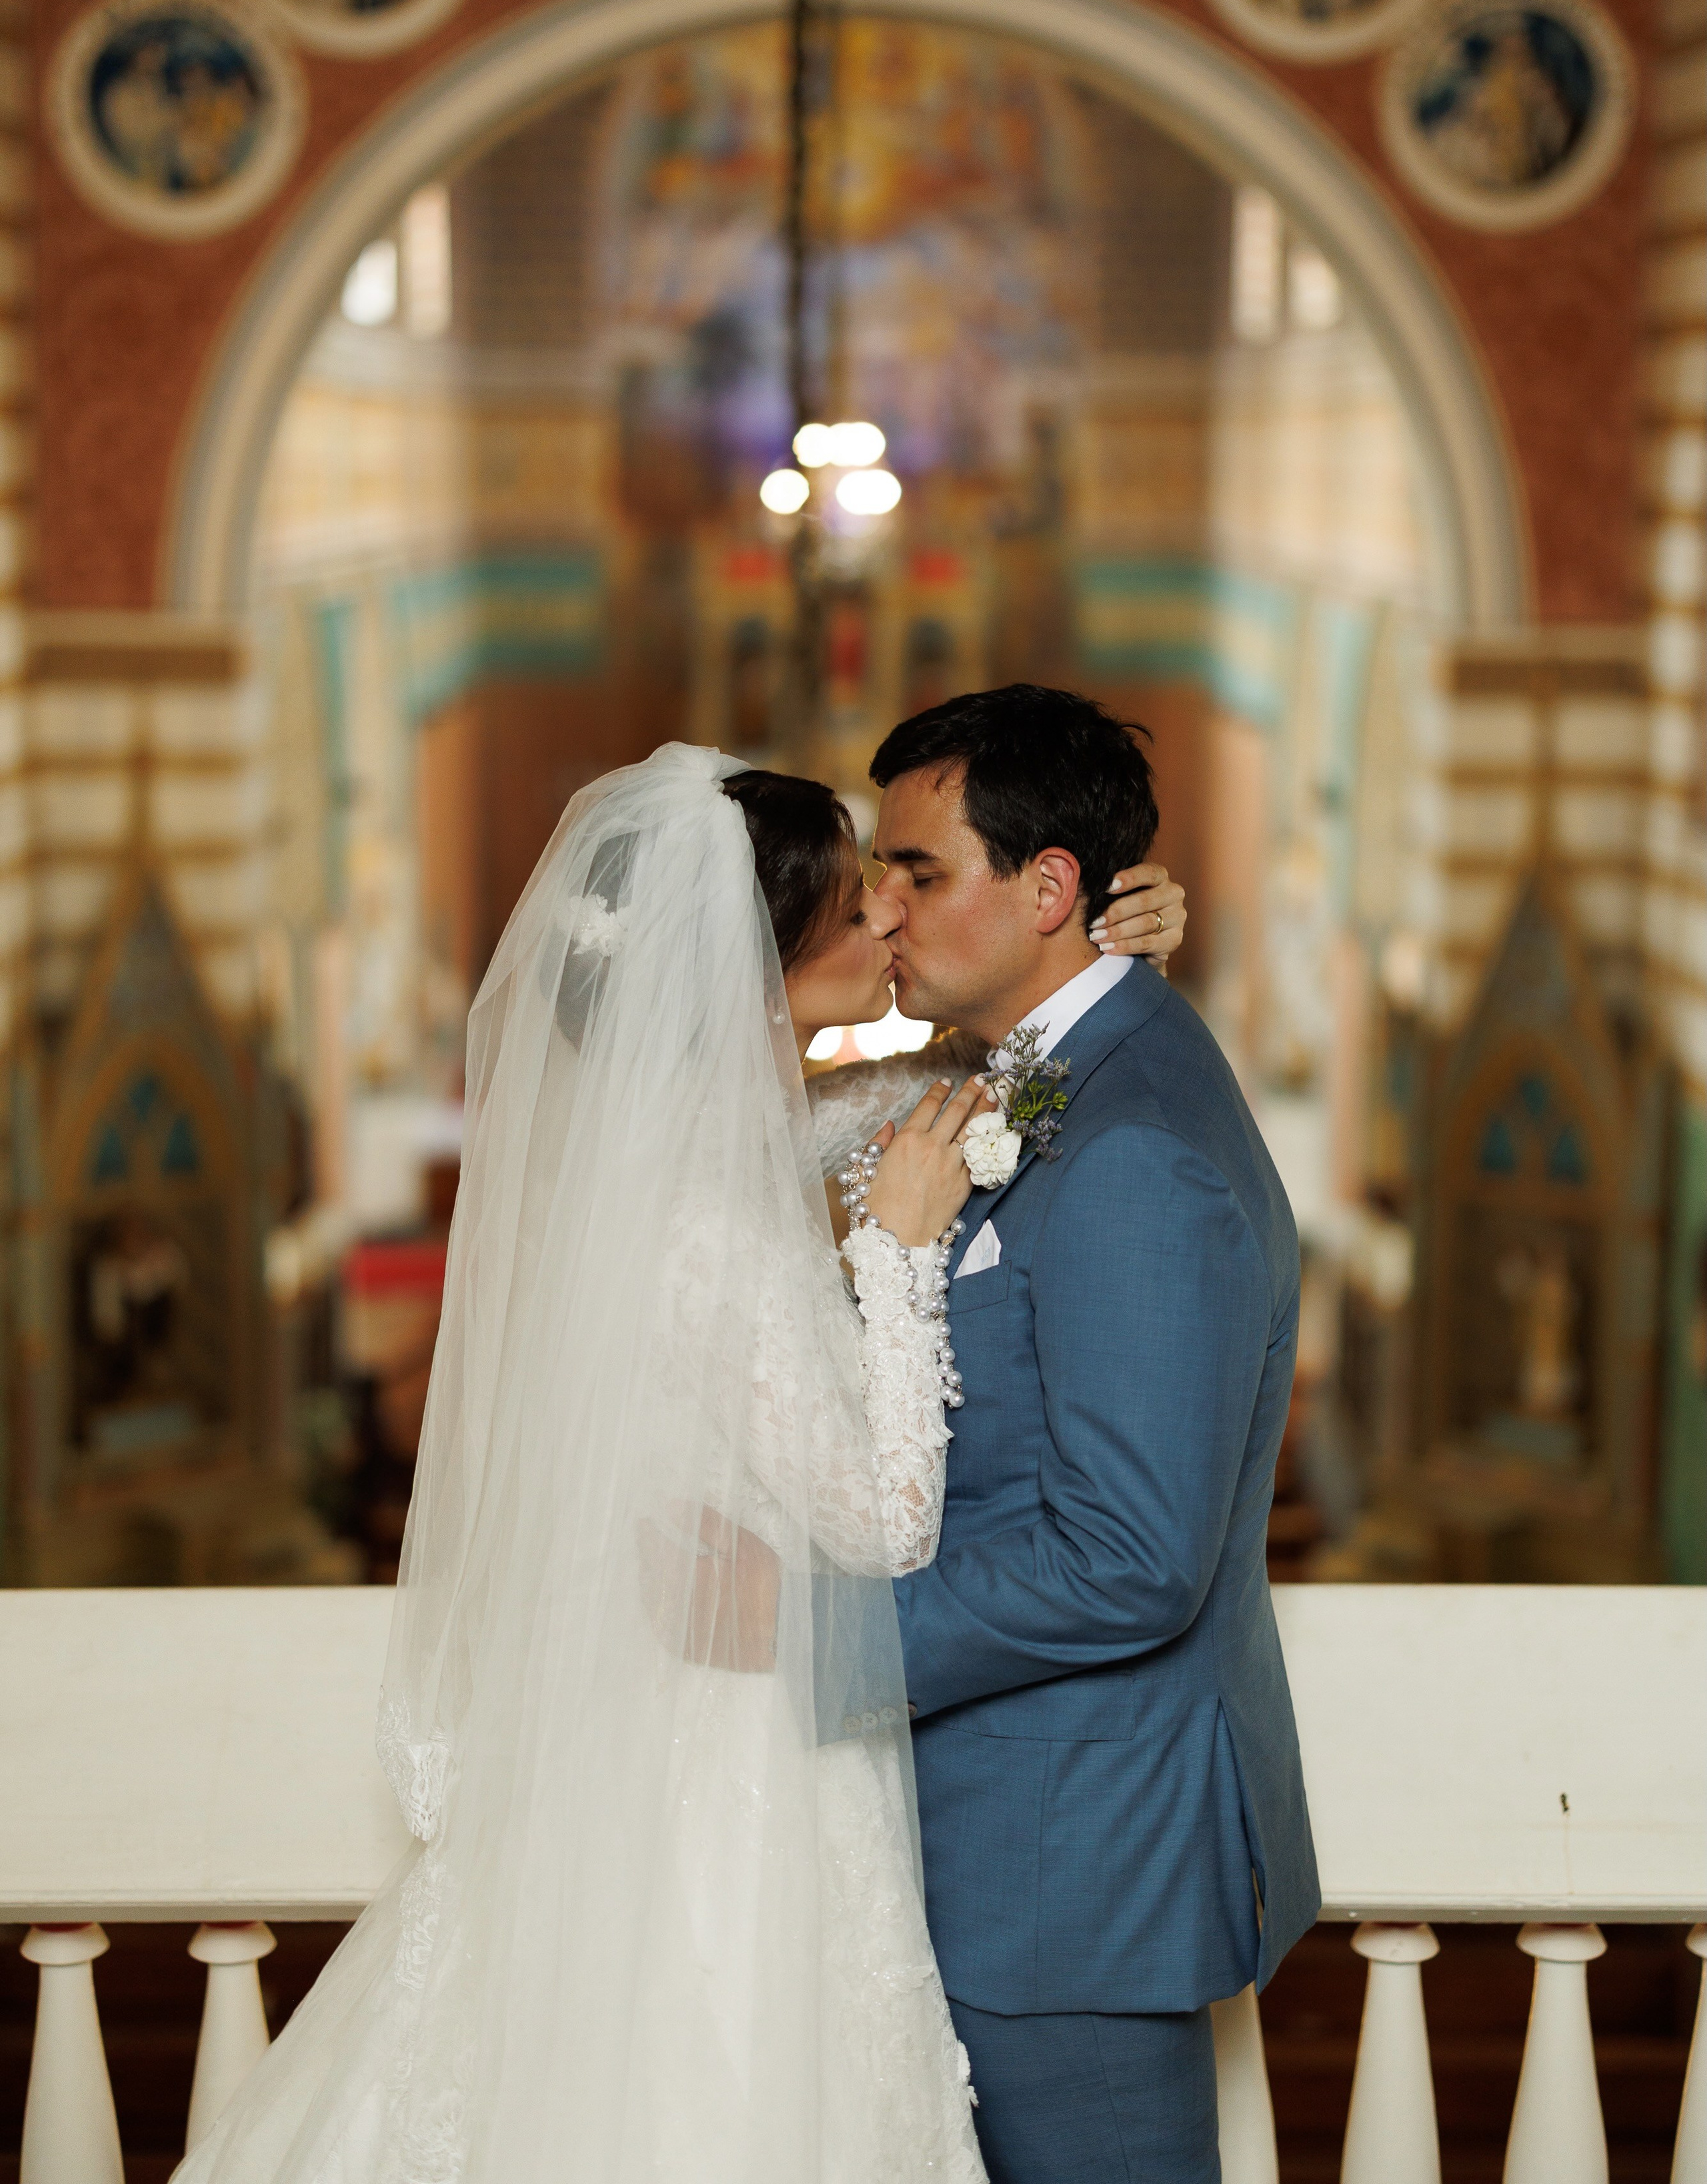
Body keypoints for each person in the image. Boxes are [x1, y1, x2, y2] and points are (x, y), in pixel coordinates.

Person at [173, 740, 1182, 2184]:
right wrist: (895, 1261)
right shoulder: (699, 1224)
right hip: (733, 1759)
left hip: (681, 1714)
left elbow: (972, 1079)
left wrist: (1106, 948)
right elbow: (889, 1524)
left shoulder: (712, 1145)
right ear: (749, 968)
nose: (884, 925)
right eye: (849, 912)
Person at [842, 683, 1319, 2184]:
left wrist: (818, 1642)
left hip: (1067, 1878)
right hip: (1011, 1849)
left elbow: (1129, 1558)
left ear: (1047, 890)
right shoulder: (1062, 1067)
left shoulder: (1137, 1152)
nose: (884, 910)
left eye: (916, 873)